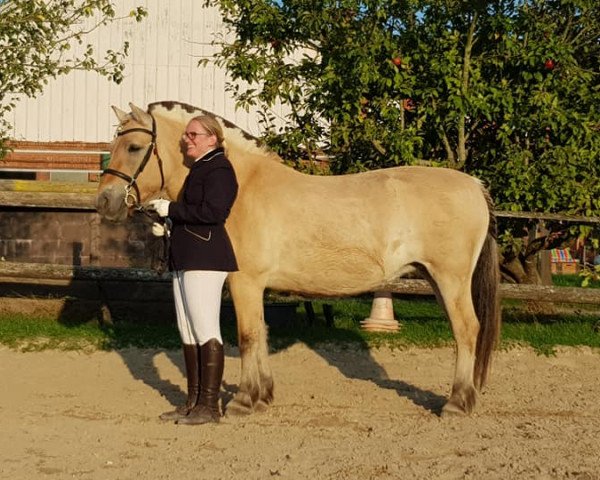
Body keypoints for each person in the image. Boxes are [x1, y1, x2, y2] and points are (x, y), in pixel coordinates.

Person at [148, 115, 238, 425]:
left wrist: (171, 208)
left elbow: (214, 213)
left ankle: (209, 407)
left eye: (194, 134)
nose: (188, 138)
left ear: (212, 138)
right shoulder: (200, 168)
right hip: (187, 254)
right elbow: (194, 213)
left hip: (206, 257)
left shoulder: (220, 169)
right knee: (187, 330)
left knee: (205, 330)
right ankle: (192, 401)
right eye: (187, 134)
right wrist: (169, 222)